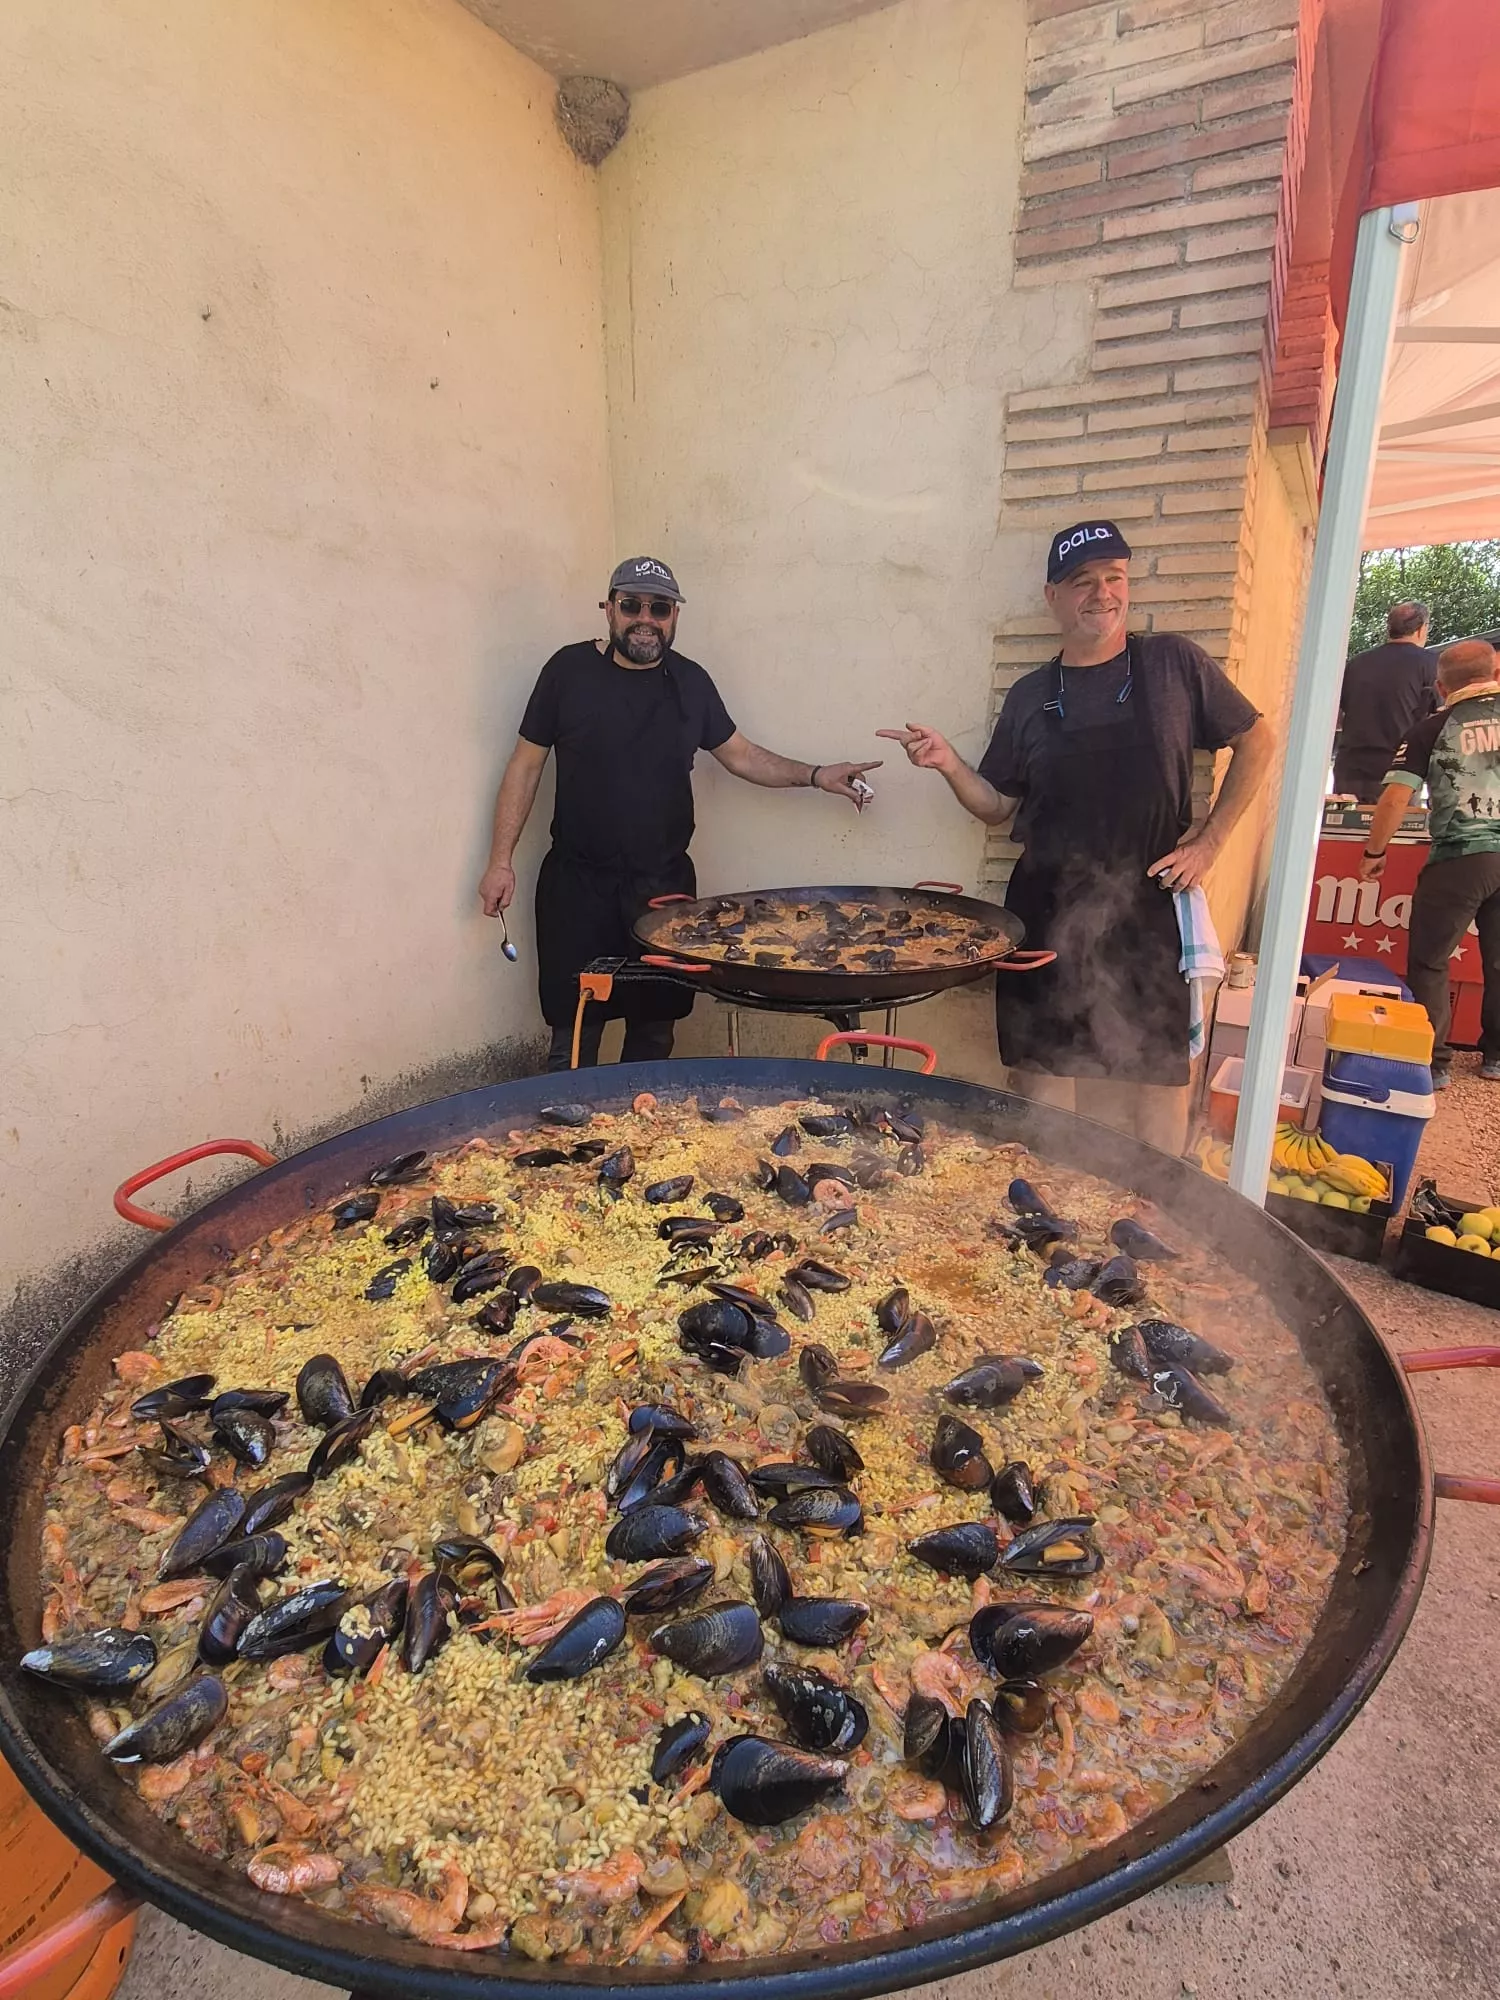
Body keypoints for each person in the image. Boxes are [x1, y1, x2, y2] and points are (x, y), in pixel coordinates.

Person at [878, 520, 1274, 1153]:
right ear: (1052, 597)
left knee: (1159, 1074)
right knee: (1040, 1069)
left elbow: (1256, 739)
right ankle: (1045, 1202)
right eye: (1082, 581)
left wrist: (1211, 842)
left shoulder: (1173, 663)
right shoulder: (1033, 694)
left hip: (1148, 899)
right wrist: (949, 763)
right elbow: (997, 806)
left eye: (1114, 577)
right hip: (1046, 905)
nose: (1102, 593)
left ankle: (1160, 1206)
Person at [477, 557, 880, 1071]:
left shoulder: (691, 682)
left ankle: (639, 1138)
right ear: (609, 609)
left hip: (662, 890)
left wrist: (817, 774)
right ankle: (574, 1142)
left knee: (655, 1032)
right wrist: (500, 860)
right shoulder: (567, 672)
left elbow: (742, 755)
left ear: (674, 617)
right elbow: (525, 765)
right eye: (631, 604)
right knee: (574, 1034)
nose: (645, 617)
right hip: (576, 888)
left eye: (659, 607)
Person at [1359, 639, 1500, 1087]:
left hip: (1461, 855)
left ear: (1440, 687)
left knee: (1430, 960)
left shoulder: (1432, 728)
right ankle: (1496, 1058)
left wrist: (1374, 853)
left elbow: (1396, 796)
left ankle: (1433, 1062)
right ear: (1494, 673)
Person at [1334, 600, 1437, 802]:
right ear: (1421, 629)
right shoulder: (1431, 664)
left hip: (1350, 767)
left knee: (1344, 830)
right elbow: (1439, 718)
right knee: (1394, 831)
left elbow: (1338, 716)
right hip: (1400, 771)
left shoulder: (1357, 663)